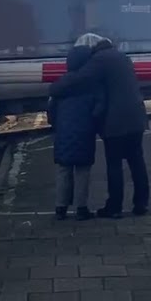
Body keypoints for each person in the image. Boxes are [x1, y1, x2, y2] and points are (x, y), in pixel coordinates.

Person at [48, 33, 150, 218]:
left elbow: (78, 78)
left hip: (116, 122)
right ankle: (141, 204)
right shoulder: (122, 57)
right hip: (136, 117)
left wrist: (54, 89)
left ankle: (115, 207)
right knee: (137, 162)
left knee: (114, 164)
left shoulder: (99, 60)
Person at [47, 43, 104, 221]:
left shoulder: (60, 85)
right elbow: (98, 109)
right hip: (85, 133)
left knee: (63, 169)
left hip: (63, 134)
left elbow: (51, 112)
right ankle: (81, 208)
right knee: (82, 170)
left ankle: (60, 208)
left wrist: (57, 126)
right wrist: (95, 124)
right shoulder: (91, 85)